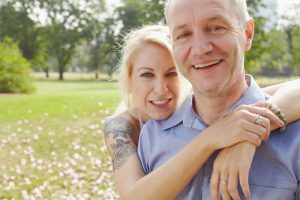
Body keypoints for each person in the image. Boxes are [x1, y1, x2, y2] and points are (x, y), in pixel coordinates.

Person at [104, 25, 300, 199]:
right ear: (129, 80)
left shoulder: (196, 106)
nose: (161, 89)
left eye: (172, 73)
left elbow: (285, 91)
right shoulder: (120, 128)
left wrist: (247, 137)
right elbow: (133, 196)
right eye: (147, 74)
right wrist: (211, 137)